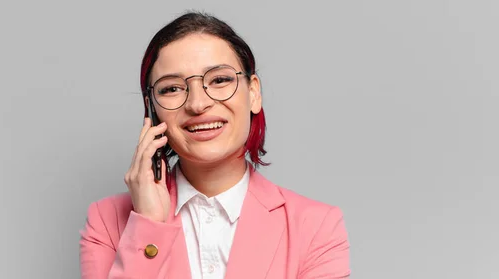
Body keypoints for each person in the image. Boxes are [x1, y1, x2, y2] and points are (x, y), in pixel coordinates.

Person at [79, 11, 350, 279]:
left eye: (219, 80)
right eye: (172, 88)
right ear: (152, 111)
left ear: (253, 93)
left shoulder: (316, 226)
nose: (197, 104)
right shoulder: (107, 221)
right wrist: (148, 226)